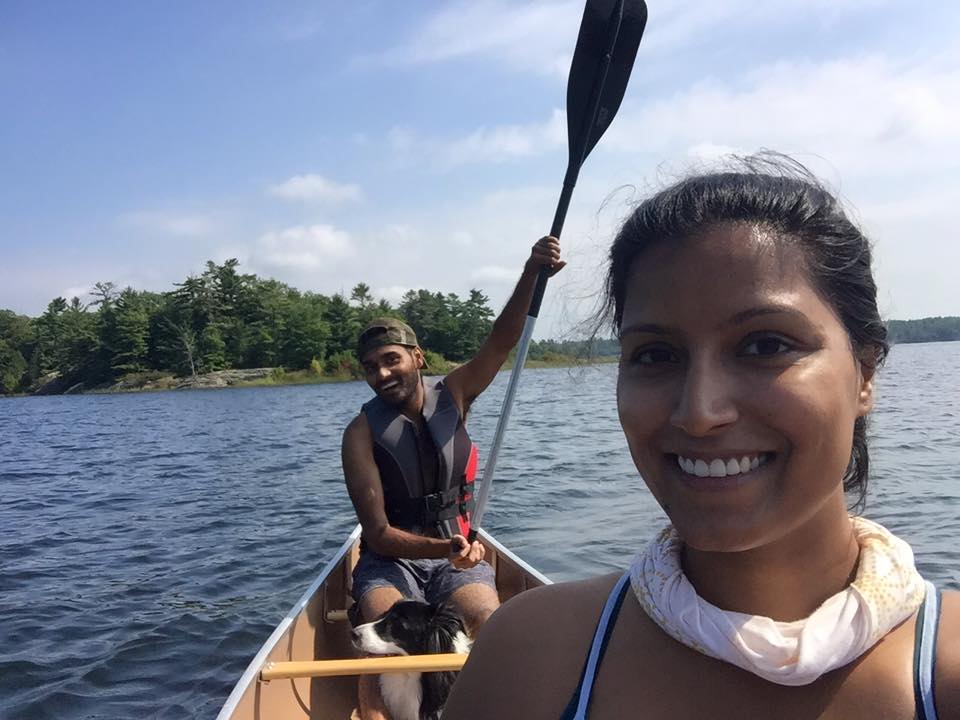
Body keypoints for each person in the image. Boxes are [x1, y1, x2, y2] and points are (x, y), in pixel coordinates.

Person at [443, 154, 959, 719]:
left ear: (864, 374)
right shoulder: (529, 657)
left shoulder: (947, 672)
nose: (699, 412)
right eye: (656, 355)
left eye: (766, 345)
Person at [342, 235, 564, 719]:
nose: (381, 374)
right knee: (378, 637)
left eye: (390, 359)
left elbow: (502, 342)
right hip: (391, 562)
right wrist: (449, 549)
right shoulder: (359, 434)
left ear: (416, 358)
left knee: (490, 619)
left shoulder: (455, 393)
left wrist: (532, 271)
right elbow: (376, 533)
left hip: (456, 558)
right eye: (370, 367)